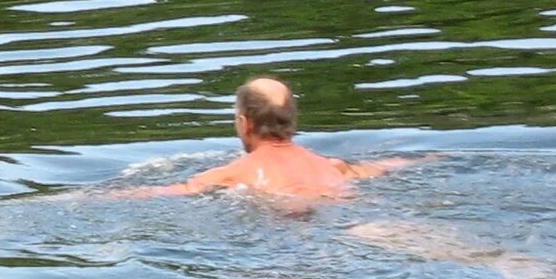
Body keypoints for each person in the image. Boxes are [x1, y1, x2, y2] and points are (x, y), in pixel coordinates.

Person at [132, 79, 409, 202]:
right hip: (342, 204)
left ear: (244, 123)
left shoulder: (232, 174)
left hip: (285, 216)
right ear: (293, 121)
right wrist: (432, 157)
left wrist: (90, 198)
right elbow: (385, 166)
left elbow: (159, 193)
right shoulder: (333, 166)